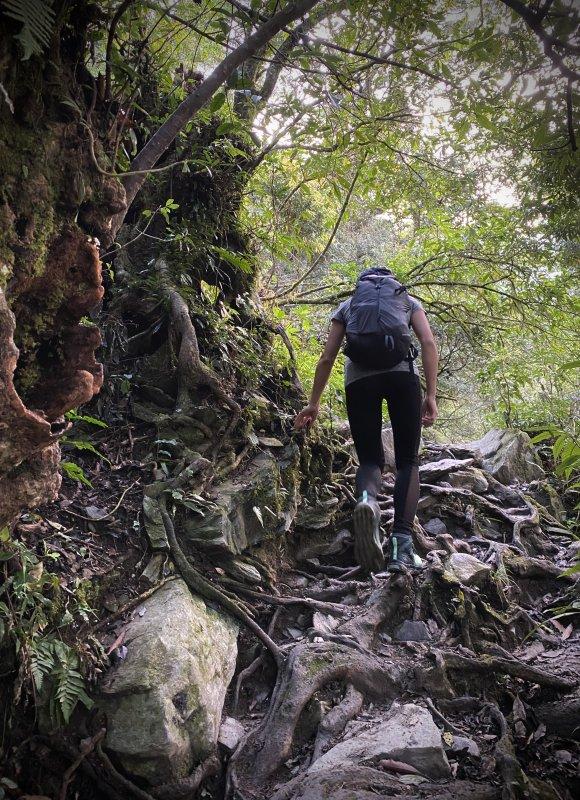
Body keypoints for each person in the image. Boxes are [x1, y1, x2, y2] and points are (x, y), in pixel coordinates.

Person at [294, 267, 438, 573]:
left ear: (362, 286)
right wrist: (431, 395)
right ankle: (401, 547)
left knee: (371, 460)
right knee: (408, 462)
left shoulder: (348, 307)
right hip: (403, 379)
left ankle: (366, 500)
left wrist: (313, 403)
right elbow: (428, 343)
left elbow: (327, 358)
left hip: (359, 382)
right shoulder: (407, 301)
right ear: (391, 284)